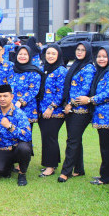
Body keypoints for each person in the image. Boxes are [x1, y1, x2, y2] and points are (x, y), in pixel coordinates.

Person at [75, 46, 109, 186]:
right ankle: (106, 174)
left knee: (107, 147)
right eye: (99, 56)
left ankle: (106, 177)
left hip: (108, 116)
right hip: (101, 116)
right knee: (105, 146)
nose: (101, 59)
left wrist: (90, 100)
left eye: (104, 56)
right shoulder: (101, 71)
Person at [58, 42, 96, 182]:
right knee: (76, 139)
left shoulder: (89, 68)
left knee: (72, 140)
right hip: (71, 109)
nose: (79, 52)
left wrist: (71, 104)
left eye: (83, 50)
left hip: (81, 110)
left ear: (88, 52)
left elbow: (84, 90)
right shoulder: (76, 65)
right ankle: (79, 169)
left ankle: (65, 172)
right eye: (78, 49)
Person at [0, 84, 32, 186]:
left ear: (12, 97)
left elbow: (28, 135)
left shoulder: (19, 113)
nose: (2, 99)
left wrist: (10, 126)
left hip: (18, 148)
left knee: (24, 148)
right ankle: (8, 167)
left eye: (5, 96)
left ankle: (22, 173)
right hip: (4, 149)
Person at [37, 44, 67, 177]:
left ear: (59, 55)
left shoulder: (61, 71)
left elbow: (61, 92)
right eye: (48, 53)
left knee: (50, 137)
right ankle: (48, 163)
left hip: (54, 111)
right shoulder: (44, 69)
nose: (50, 56)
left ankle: (51, 166)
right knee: (45, 137)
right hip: (42, 110)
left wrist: (51, 107)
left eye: (53, 54)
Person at [11, 45, 44, 125]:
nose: (22, 56)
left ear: (30, 56)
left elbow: (33, 90)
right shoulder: (11, 70)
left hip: (27, 109)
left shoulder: (34, 72)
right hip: (10, 107)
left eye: (25, 54)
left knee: (25, 132)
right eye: (20, 54)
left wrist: (20, 101)